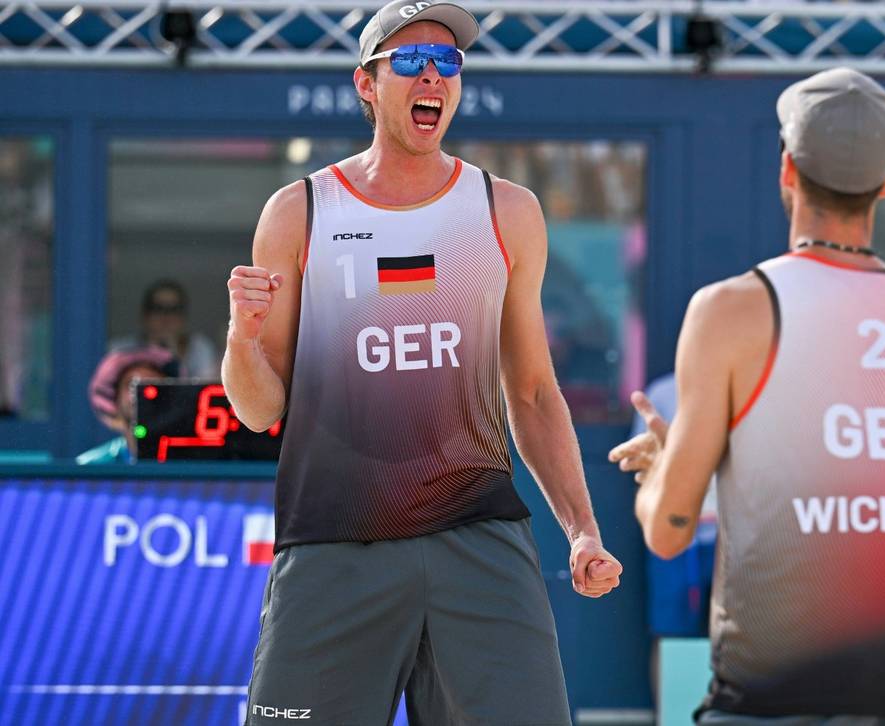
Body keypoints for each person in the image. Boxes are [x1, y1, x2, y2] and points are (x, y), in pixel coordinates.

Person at [222, 2, 622, 723]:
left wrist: (583, 529)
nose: (431, 74)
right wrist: (241, 338)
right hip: (338, 540)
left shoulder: (506, 210)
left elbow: (530, 392)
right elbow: (259, 408)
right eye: (408, 60)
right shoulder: (300, 212)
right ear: (367, 84)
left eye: (448, 62)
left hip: (476, 535)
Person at [611, 67, 885, 723]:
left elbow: (671, 531)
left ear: (786, 170)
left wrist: (660, 475)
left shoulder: (732, 310)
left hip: (776, 693)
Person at [632, 372, 719, 694]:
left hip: (734, 535)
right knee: (670, 632)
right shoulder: (663, 392)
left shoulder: (751, 383)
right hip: (675, 536)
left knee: (739, 636)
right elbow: (643, 466)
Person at [78, 346, 178, 464]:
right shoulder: (90, 469)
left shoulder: (189, 466)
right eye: (131, 385)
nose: (143, 393)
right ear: (115, 400)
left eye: (152, 384)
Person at [110, 279, 220, 378]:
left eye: (174, 310)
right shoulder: (122, 351)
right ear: (144, 316)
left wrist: (175, 357)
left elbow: (199, 391)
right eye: (158, 309)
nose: (166, 317)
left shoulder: (199, 349)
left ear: (184, 318)